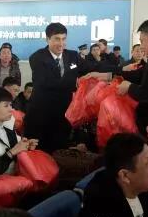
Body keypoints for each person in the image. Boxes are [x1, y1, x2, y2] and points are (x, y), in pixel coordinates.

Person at [24, 23, 103, 152]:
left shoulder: (72, 56)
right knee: (37, 155)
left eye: (63, 39)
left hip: (63, 116)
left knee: (60, 154)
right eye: (57, 39)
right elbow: (45, 82)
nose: (61, 43)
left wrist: (118, 70)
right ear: (47, 39)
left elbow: (93, 67)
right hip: (40, 117)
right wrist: (75, 83)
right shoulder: (37, 57)